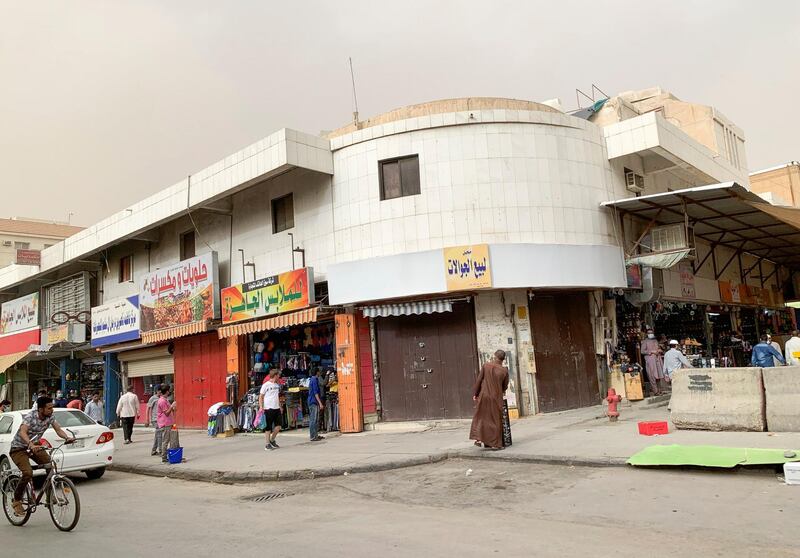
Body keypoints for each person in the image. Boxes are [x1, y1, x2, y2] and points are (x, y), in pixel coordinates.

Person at [9, 397, 75, 517]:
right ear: (40, 409)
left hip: (36, 446)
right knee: (28, 472)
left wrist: (67, 438)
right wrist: (30, 444)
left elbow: (58, 429)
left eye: (52, 407)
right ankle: (17, 501)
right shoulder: (30, 417)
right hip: (19, 448)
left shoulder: (50, 417)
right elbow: (23, 432)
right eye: (49, 408)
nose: (52, 410)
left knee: (50, 465)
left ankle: (51, 496)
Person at [469, 350, 510, 450]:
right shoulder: (504, 370)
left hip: (484, 396)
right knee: (495, 420)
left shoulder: (486, 366)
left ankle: (478, 439)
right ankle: (495, 444)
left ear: (495, 356)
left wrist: (475, 393)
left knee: (481, 417)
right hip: (496, 397)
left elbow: (479, 380)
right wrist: (501, 391)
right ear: (503, 359)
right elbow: (505, 386)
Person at [259, 370, 283, 450]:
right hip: (268, 408)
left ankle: (272, 440)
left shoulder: (277, 385)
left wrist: (280, 406)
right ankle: (267, 444)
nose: (279, 377)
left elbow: (277, 397)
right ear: (275, 375)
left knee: (278, 426)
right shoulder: (265, 385)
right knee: (268, 427)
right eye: (278, 375)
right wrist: (261, 407)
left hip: (276, 408)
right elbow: (261, 396)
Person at [156, 385, 178, 463]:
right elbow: (166, 413)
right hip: (165, 423)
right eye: (168, 390)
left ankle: (173, 455)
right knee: (165, 440)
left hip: (169, 422)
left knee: (172, 440)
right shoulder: (162, 401)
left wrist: (173, 407)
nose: (169, 392)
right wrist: (172, 406)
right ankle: (164, 457)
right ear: (167, 391)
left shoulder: (165, 400)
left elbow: (171, 411)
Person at [640, 327, 664, 396]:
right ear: (647, 334)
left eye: (651, 333)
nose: (650, 334)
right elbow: (642, 351)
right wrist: (651, 351)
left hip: (657, 360)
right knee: (652, 376)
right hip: (650, 361)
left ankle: (660, 390)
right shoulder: (645, 341)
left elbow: (658, 348)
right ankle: (655, 391)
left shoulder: (655, 341)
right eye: (649, 333)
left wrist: (659, 350)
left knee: (659, 376)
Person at [308, 368, 325, 442]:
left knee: (315, 419)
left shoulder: (312, 379)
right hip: (313, 402)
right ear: (317, 372)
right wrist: (320, 403)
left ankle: (315, 435)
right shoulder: (314, 380)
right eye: (319, 372)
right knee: (313, 420)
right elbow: (315, 393)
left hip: (312, 401)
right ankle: (313, 436)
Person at [146, 387, 162, 456]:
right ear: (157, 391)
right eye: (160, 391)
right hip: (155, 419)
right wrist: (147, 419)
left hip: (160, 419)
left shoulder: (161, 398)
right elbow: (148, 409)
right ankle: (161, 450)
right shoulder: (153, 398)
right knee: (160, 435)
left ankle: (153, 450)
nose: (161, 392)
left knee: (157, 435)